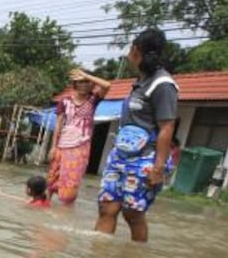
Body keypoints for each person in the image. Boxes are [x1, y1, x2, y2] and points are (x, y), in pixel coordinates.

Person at [95, 28, 178, 242]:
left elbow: (167, 127)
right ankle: (98, 256)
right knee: (106, 207)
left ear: (135, 50)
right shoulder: (140, 81)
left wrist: (158, 168)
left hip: (145, 158)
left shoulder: (163, 85)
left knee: (132, 213)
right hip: (121, 156)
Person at [47, 68, 111, 204]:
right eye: (80, 82)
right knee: (52, 178)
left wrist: (86, 75)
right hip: (62, 144)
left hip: (80, 146)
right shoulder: (65, 101)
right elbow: (58, 126)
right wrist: (53, 146)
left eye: (86, 82)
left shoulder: (94, 99)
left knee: (71, 181)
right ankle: (46, 206)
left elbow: (107, 85)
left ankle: (66, 210)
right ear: (75, 84)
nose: (83, 85)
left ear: (91, 84)